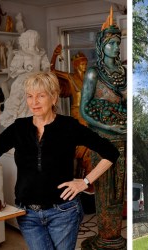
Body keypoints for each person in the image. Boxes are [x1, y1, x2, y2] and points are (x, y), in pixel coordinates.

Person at [0, 71, 119, 250]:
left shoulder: (69, 126)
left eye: (41, 95)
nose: (34, 102)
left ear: (54, 97)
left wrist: (85, 182)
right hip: (27, 214)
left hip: (64, 212)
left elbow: (111, 152)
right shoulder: (19, 127)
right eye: (30, 96)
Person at [80, 7, 127, 249]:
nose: (115, 47)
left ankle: (114, 237)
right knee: (105, 189)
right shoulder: (92, 74)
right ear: (101, 46)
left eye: (118, 43)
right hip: (101, 139)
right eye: (110, 43)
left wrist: (124, 127)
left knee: (119, 190)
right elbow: (84, 111)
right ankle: (105, 237)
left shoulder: (124, 73)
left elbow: (128, 104)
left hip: (122, 139)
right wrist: (108, 128)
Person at [50, 47, 94, 193]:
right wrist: (55, 55)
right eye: (82, 63)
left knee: (92, 146)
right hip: (78, 115)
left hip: (90, 115)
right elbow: (52, 71)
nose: (84, 66)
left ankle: (88, 178)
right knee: (83, 146)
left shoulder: (89, 80)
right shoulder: (70, 77)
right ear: (76, 65)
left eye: (85, 63)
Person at [0, 29, 50, 128]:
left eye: (35, 38)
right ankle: (5, 116)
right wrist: (25, 69)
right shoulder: (21, 53)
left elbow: (46, 68)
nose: (34, 40)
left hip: (39, 79)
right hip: (25, 79)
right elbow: (14, 70)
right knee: (18, 93)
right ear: (26, 40)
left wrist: (45, 70)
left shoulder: (41, 53)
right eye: (31, 38)